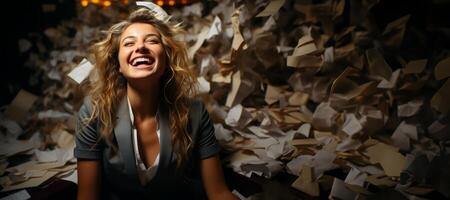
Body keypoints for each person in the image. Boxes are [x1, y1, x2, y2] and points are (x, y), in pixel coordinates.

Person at [74, 4, 237, 200]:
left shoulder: (195, 113)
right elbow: (87, 196)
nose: (140, 47)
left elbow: (219, 193)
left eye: (151, 41)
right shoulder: (93, 112)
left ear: (167, 59)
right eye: (128, 43)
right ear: (118, 65)